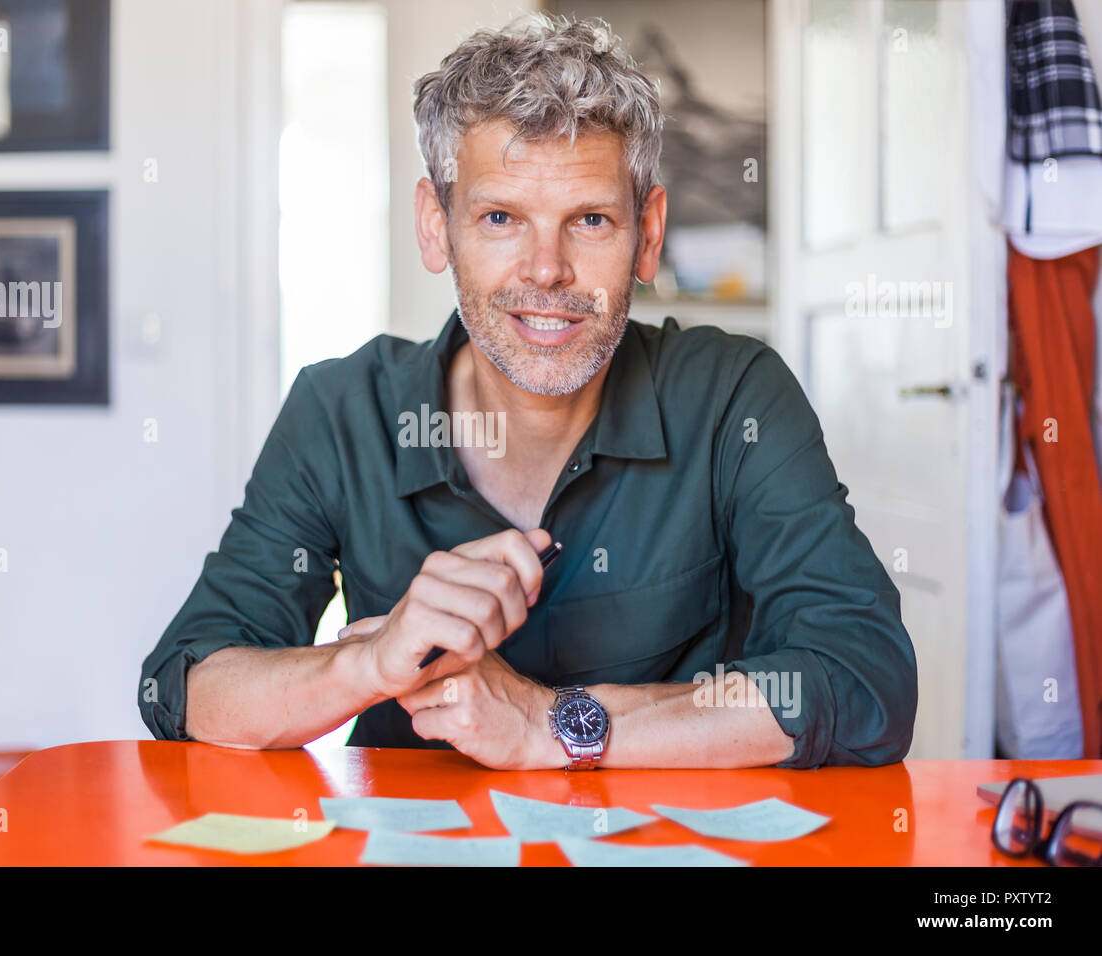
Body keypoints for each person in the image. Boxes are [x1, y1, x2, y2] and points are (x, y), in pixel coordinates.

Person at [139, 13, 917, 771]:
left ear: (648, 235)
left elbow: (864, 678)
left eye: (589, 220)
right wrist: (367, 664)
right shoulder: (341, 412)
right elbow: (187, 683)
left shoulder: (735, 400)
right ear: (436, 226)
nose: (546, 270)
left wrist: (558, 728)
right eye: (501, 216)